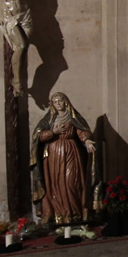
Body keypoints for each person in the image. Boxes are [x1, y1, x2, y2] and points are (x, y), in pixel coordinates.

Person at [30, 92, 97, 225]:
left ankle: (76, 213)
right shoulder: (48, 119)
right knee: (55, 184)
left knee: (72, 182)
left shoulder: (73, 117)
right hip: (53, 155)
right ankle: (59, 214)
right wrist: (52, 132)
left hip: (71, 152)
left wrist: (87, 140)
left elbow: (82, 130)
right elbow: (37, 136)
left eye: (60, 100)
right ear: (52, 104)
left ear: (65, 101)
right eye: (55, 102)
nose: (58, 103)